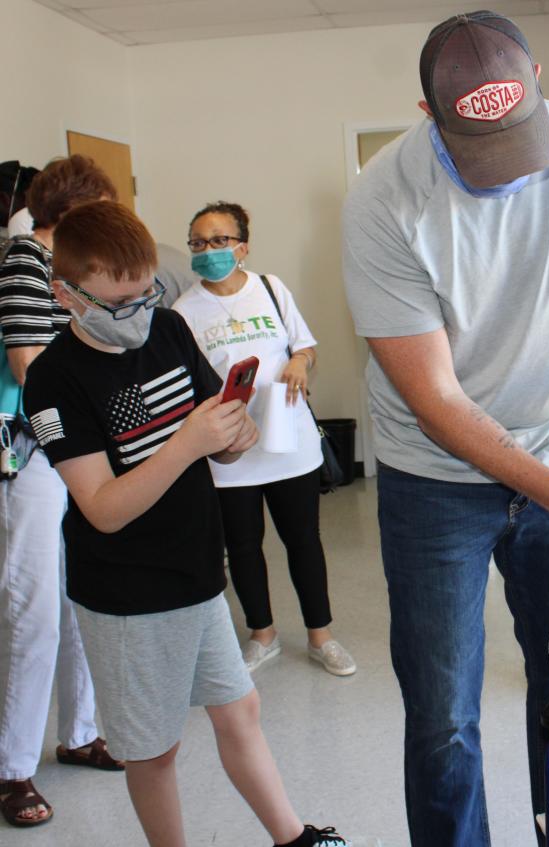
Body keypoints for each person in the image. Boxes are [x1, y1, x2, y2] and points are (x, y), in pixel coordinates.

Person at [341, 11, 549, 846]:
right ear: (428, 114)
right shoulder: (383, 201)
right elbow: (439, 404)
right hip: (433, 481)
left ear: (540, 82)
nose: (507, 176)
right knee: (444, 712)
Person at [22, 200, 348, 847]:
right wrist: (191, 442)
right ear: (67, 295)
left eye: (146, 295)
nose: (136, 315)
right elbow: (101, 506)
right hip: (126, 596)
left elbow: (215, 436)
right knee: (154, 750)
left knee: (241, 709)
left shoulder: (168, 329)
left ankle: (293, 838)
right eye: (118, 304)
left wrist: (231, 434)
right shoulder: (53, 380)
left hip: (198, 571)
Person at [174, 201, 355, 676]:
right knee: (244, 545)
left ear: (243, 247)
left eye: (218, 240)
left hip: (287, 440)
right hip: (229, 449)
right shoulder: (182, 312)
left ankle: (321, 636)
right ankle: (263, 634)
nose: (207, 250)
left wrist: (300, 362)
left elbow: (306, 346)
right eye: (198, 242)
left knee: (303, 540)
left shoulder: (271, 290)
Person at [0, 155, 123, 829]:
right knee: (34, 610)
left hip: (74, 453)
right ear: (72, 210)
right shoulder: (24, 261)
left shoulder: (66, 271)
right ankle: (12, 768)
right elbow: (31, 368)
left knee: (80, 600)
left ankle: (78, 733)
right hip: (33, 458)